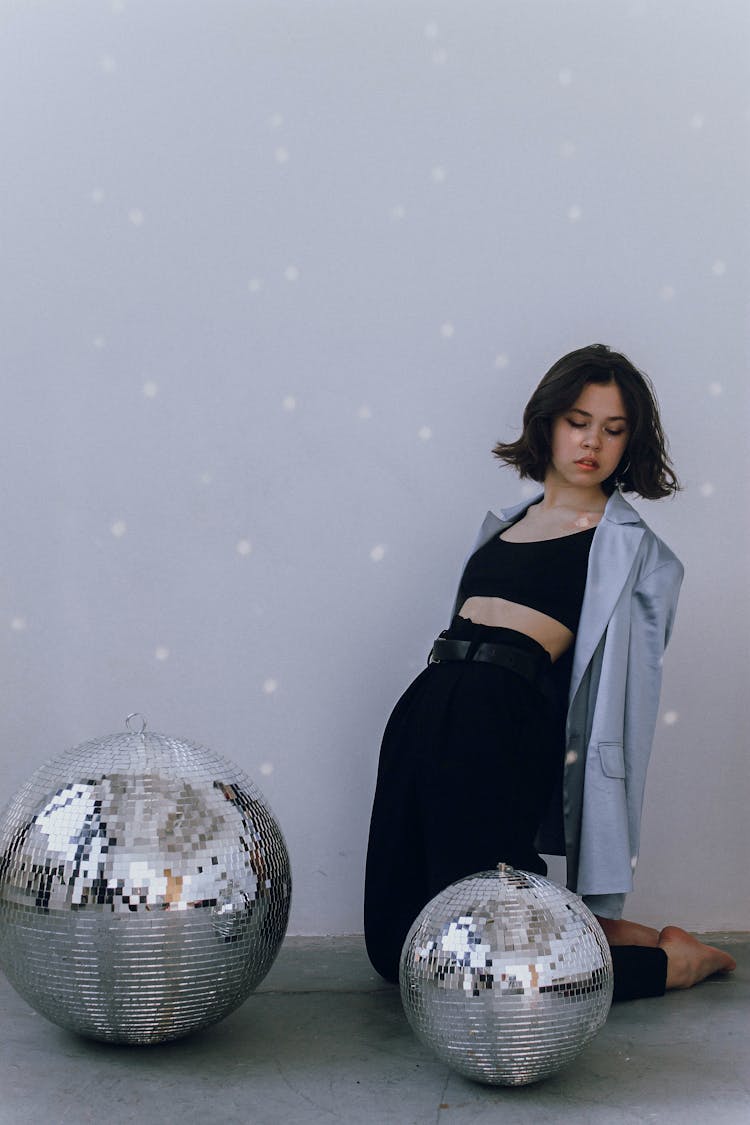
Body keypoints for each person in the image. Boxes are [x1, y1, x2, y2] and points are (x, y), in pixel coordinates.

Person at [364, 343, 735, 1001]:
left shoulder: (637, 555)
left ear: (631, 442)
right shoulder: (499, 525)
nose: (592, 441)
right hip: (423, 720)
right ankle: (606, 933)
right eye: (577, 420)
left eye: (613, 428)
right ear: (548, 422)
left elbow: (629, 695)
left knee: (475, 958)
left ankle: (671, 964)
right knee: (396, 948)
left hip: (499, 731)